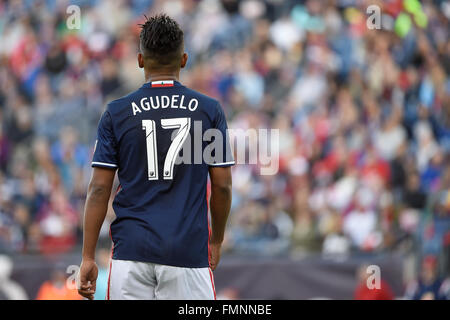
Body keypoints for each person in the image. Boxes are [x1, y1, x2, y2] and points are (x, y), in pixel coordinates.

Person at [78, 14, 234, 300]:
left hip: (131, 252)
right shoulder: (209, 110)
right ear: (184, 59)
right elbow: (222, 186)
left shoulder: (116, 112)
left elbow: (99, 188)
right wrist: (217, 239)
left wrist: (88, 256)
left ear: (140, 60)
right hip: (187, 251)